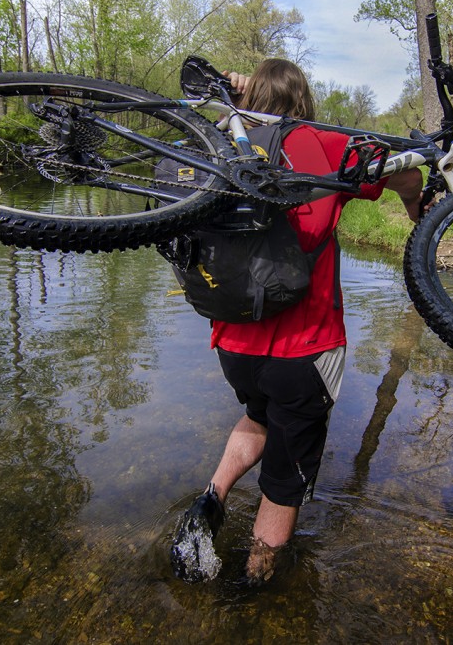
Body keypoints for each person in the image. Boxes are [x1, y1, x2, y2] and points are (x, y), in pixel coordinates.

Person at [170, 58, 424, 585]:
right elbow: (406, 171)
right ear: (303, 101)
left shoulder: (222, 145)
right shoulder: (325, 143)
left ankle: (208, 504)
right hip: (306, 349)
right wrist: (416, 202)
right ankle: (257, 584)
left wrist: (241, 90)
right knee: (284, 480)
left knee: (260, 417)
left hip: (233, 344)